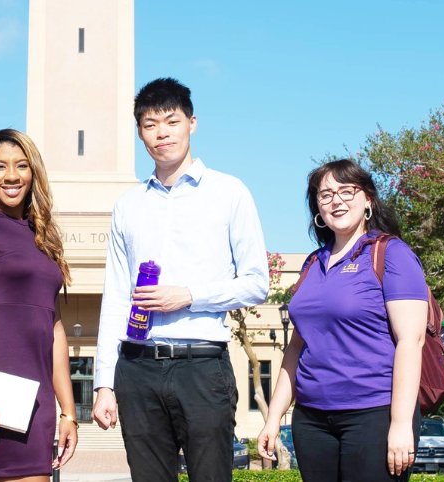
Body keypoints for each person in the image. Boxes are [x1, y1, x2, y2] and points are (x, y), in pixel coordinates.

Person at [91, 77, 268, 482]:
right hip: (137, 368)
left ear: (192, 123)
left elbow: (257, 282)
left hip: (202, 367)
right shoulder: (128, 205)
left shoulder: (229, 192)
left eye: (171, 121)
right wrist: (104, 384)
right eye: (150, 124)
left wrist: (189, 295)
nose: (162, 133)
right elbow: (116, 296)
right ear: (140, 133)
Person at [255, 159, 428, 481]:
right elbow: (296, 347)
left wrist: (401, 424)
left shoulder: (391, 253)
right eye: (325, 195)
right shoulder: (312, 263)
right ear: (318, 210)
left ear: (368, 200)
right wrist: (274, 416)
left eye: (347, 191)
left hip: (373, 414)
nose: (336, 200)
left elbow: (411, 340)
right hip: (312, 420)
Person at [0, 129, 79, 481]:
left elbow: (54, 326)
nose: (11, 176)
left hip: (40, 395)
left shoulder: (43, 236)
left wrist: (68, 411)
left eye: (21, 165)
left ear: (33, 173)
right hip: (1, 389)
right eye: (0, 166)